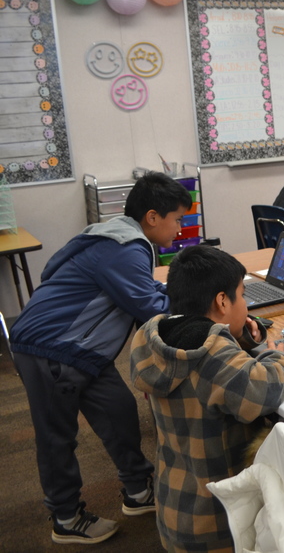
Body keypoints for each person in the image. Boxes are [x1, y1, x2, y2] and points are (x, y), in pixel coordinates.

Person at [9, 172, 192, 545]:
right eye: (177, 219)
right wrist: (196, 300)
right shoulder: (125, 249)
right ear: (153, 217)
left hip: (83, 350)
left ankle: (138, 492)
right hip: (50, 348)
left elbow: (145, 289)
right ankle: (66, 517)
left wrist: (173, 290)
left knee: (119, 411)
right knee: (57, 437)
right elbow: (150, 308)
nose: (180, 228)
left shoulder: (118, 237)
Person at [130, 245, 284, 553]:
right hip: (216, 521)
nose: (245, 305)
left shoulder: (155, 335)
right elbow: (264, 390)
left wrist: (242, 338)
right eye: (242, 296)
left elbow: (214, 364)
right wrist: (276, 354)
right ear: (221, 301)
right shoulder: (210, 356)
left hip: (175, 502)